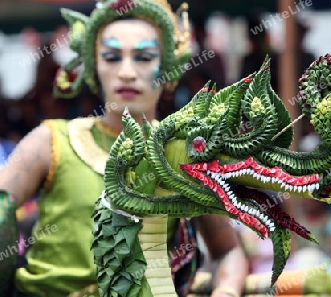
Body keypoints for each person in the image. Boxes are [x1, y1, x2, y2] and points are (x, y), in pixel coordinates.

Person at [0, 1, 248, 296]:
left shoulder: (186, 153)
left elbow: (228, 252)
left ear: (167, 69)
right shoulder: (51, 140)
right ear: (94, 67)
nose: (127, 72)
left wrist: (227, 291)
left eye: (143, 57)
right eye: (112, 57)